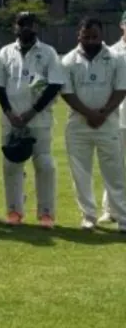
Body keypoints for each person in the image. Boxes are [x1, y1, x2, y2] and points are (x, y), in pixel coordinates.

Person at [0, 11, 64, 228]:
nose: (26, 28)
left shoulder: (48, 52)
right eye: (22, 24)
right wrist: (9, 112)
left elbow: (54, 85)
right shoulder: (5, 52)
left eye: (30, 24)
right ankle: (14, 211)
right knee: (11, 165)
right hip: (11, 120)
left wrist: (32, 111)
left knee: (45, 164)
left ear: (36, 27)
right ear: (15, 26)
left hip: (39, 119)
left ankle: (46, 214)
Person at [60, 17, 126, 232]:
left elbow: (121, 89)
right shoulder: (68, 60)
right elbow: (67, 93)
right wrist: (89, 114)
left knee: (114, 171)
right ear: (78, 35)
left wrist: (103, 113)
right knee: (81, 173)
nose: (90, 40)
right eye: (85, 36)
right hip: (78, 125)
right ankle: (89, 216)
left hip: (108, 124)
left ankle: (122, 217)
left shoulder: (116, 58)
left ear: (101, 35)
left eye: (94, 36)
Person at [99, 11, 126, 224]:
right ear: (122, 25)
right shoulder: (111, 52)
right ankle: (110, 209)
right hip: (118, 116)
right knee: (114, 165)